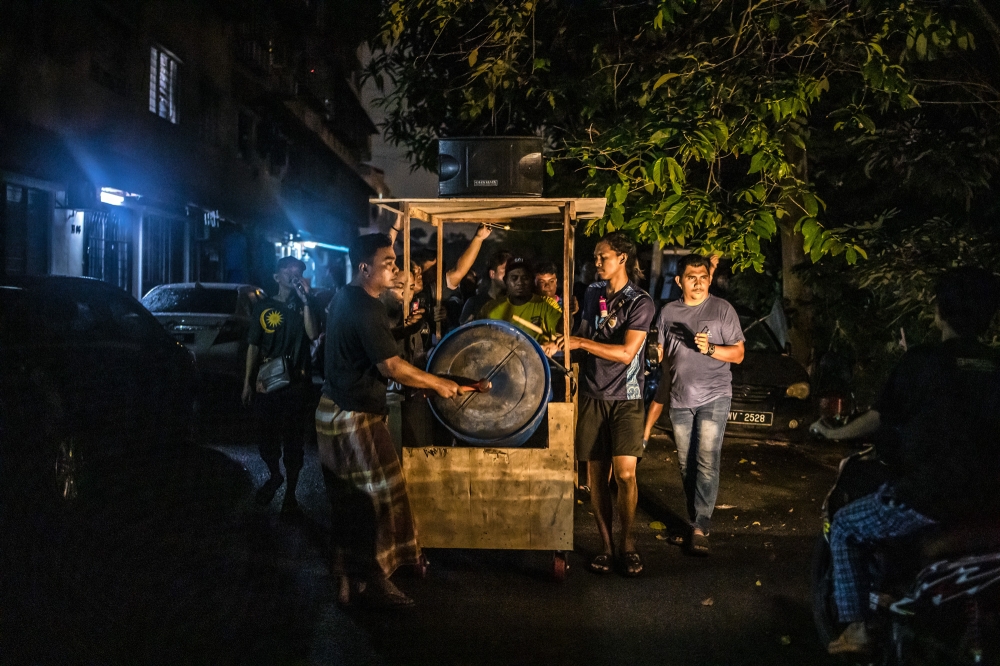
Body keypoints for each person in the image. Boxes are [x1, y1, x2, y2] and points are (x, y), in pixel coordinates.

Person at [815, 268, 1000, 655]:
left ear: (939, 312)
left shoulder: (923, 361)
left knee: (847, 525)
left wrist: (833, 433)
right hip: (989, 501)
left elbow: (880, 417)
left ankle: (857, 630)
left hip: (931, 496)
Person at [317, 233, 468, 608]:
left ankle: (345, 580)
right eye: (389, 262)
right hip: (355, 415)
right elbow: (392, 365)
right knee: (383, 498)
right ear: (364, 266)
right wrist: (440, 383)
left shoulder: (345, 297)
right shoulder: (367, 307)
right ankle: (377, 577)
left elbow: (369, 349)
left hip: (332, 409)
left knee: (348, 502)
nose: (396, 269)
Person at [542, 232, 655, 576]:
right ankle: (607, 545)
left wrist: (580, 341)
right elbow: (585, 331)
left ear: (622, 258)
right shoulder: (592, 293)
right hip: (592, 392)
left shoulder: (640, 301)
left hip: (627, 396)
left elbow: (625, 354)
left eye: (602, 256)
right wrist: (564, 339)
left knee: (624, 473)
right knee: (596, 475)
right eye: (595, 257)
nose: (596, 262)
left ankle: (628, 542)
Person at [652, 253, 744, 556]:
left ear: (710, 278)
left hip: (715, 395)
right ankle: (694, 521)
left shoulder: (722, 309)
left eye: (703, 276)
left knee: (706, 459)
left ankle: (701, 525)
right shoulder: (668, 312)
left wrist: (712, 348)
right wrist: (653, 353)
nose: (698, 282)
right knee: (685, 463)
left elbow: (739, 354)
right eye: (692, 276)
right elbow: (660, 355)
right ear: (679, 280)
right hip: (680, 398)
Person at [242, 255, 319, 517]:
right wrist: (247, 383)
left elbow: (312, 334)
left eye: (298, 271)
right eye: (289, 271)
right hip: (267, 382)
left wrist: (306, 300)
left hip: (296, 384)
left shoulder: (304, 305)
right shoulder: (263, 307)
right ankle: (275, 475)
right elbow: (253, 345)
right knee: (266, 438)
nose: (294, 275)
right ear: (277, 277)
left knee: (294, 442)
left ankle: (290, 496)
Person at [642, 253, 720, 444]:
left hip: (694, 359)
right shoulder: (671, 308)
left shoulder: (702, 301)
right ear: (679, 282)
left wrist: (712, 267)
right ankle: (644, 433)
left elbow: (702, 282)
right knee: (661, 395)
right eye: (689, 279)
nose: (697, 283)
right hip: (673, 358)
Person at [479, 257, 563, 343]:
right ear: (506, 280)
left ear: (531, 281)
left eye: (525, 278)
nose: (520, 282)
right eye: (514, 278)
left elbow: (563, 329)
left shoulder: (545, 305)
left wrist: (570, 312)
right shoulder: (490, 308)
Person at [460, 249, 512, 324]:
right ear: (492, 274)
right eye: (504, 271)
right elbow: (463, 331)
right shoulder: (474, 303)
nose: (509, 275)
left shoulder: (515, 302)